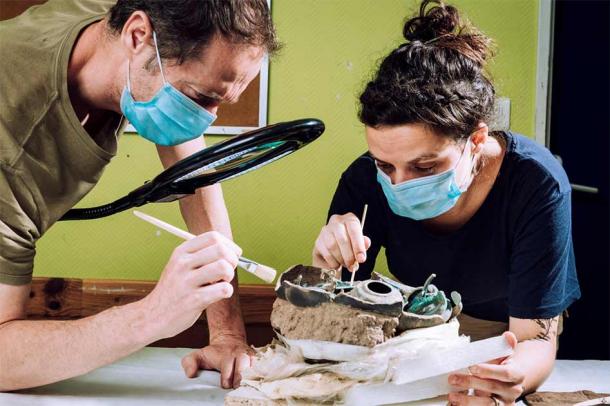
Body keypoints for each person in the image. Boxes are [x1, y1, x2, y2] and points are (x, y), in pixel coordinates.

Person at [0, 0, 279, 391]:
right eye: (199, 98)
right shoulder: (11, 148)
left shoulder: (132, 21)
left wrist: (228, 335)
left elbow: (193, 178)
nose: (208, 120)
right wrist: (153, 315)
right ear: (137, 36)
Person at [311, 1, 580, 404]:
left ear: (475, 140)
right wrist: (326, 270)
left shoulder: (536, 185)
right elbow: (337, 313)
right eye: (386, 164)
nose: (399, 184)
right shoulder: (364, 180)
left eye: (424, 166)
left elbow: (533, 341)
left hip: (503, 336)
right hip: (414, 335)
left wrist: (509, 380)